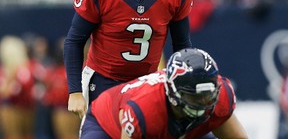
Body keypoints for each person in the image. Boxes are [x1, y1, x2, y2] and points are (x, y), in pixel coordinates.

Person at [64, 0, 193, 120]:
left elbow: (182, 45)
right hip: (102, 80)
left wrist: (182, 84)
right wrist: (74, 91)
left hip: (148, 81)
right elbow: (74, 40)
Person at [80, 48, 248, 139]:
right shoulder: (144, 109)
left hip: (180, 127)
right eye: (193, 96)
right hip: (106, 125)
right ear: (172, 92)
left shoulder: (222, 97)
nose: (203, 102)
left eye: (208, 94)